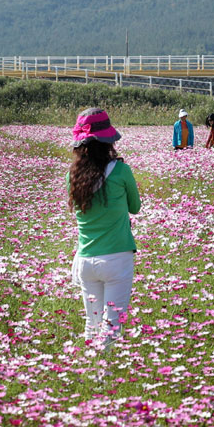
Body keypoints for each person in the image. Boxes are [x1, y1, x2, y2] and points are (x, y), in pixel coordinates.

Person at [68, 108, 141, 351]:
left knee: (93, 322)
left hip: (85, 259)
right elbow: (135, 207)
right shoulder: (121, 171)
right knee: (111, 326)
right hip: (116, 259)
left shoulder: (74, 175)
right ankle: (104, 376)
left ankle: (88, 373)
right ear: (108, 141)